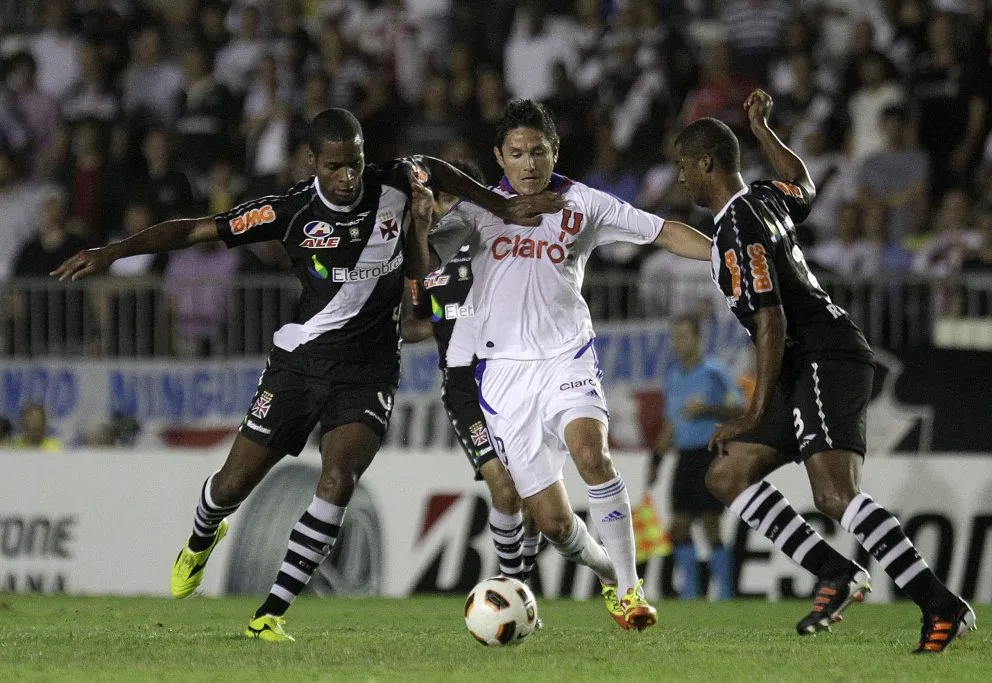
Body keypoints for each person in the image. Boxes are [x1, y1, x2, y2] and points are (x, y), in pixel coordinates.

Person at [51, 108, 562, 642]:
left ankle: (269, 614)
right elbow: (194, 229)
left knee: (339, 480)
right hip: (299, 366)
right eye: (336, 166)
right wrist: (113, 251)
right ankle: (203, 536)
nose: (348, 177)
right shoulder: (288, 210)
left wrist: (501, 204)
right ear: (311, 162)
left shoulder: (396, 180)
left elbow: (441, 170)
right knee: (230, 485)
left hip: (368, 372)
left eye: (356, 163)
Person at [674, 89, 975, 652]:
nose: (680, 178)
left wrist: (753, 410)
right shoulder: (761, 198)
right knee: (726, 475)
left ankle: (942, 606)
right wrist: (763, 129)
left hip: (822, 354)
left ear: (706, 164)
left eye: (683, 166)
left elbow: (771, 321)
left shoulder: (738, 225)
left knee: (836, 496)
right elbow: (805, 186)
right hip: (805, 361)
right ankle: (836, 573)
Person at [423, 99, 713, 632]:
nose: (529, 163)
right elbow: (420, 256)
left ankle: (630, 590)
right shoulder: (477, 211)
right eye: (516, 153)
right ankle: (606, 570)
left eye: (538, 151)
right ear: (499, 158)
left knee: (591, 453)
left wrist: (726, 255)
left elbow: (662, 230)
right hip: (503, 375)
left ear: (554, 151)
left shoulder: (584, 203)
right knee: (554, 523)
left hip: (566, 354)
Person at [402, 159, 542, 586]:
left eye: (443, 197)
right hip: (461, 382)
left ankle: (522, 580)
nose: (437, 208)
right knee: (503, 489)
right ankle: (513, 586)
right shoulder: (425, 253)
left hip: (510, 372)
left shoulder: (486, 232)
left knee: (533, 494)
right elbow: (412, 326)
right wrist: (445, 322)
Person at [647, 315, 744, 601]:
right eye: (675, 337)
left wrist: (709, 410)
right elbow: (671, 425)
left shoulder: (714, 372)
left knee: (710, 524)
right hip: (684, 457)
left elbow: (741, 409)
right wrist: (656, 461)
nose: (678, 343)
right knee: (678, 527)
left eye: (684, 336)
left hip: (709, 453)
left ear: (698, 339)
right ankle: (691, 593)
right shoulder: (675, 376)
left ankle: (725, 593)